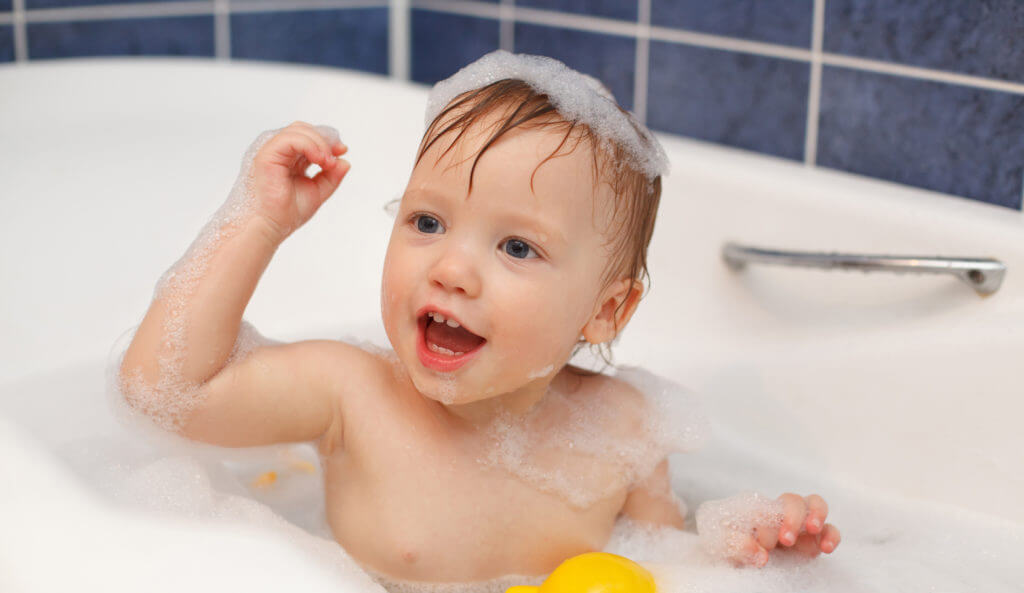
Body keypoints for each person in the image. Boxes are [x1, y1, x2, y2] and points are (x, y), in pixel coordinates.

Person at [118, 50, 840, 584]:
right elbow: (164, 390)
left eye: (517, 245)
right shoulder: (350, 393)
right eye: (427, 221)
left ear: (605, 309)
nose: (451, 268)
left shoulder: (626, 428)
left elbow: (666, 560)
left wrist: (751, 544)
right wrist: (257, 220)